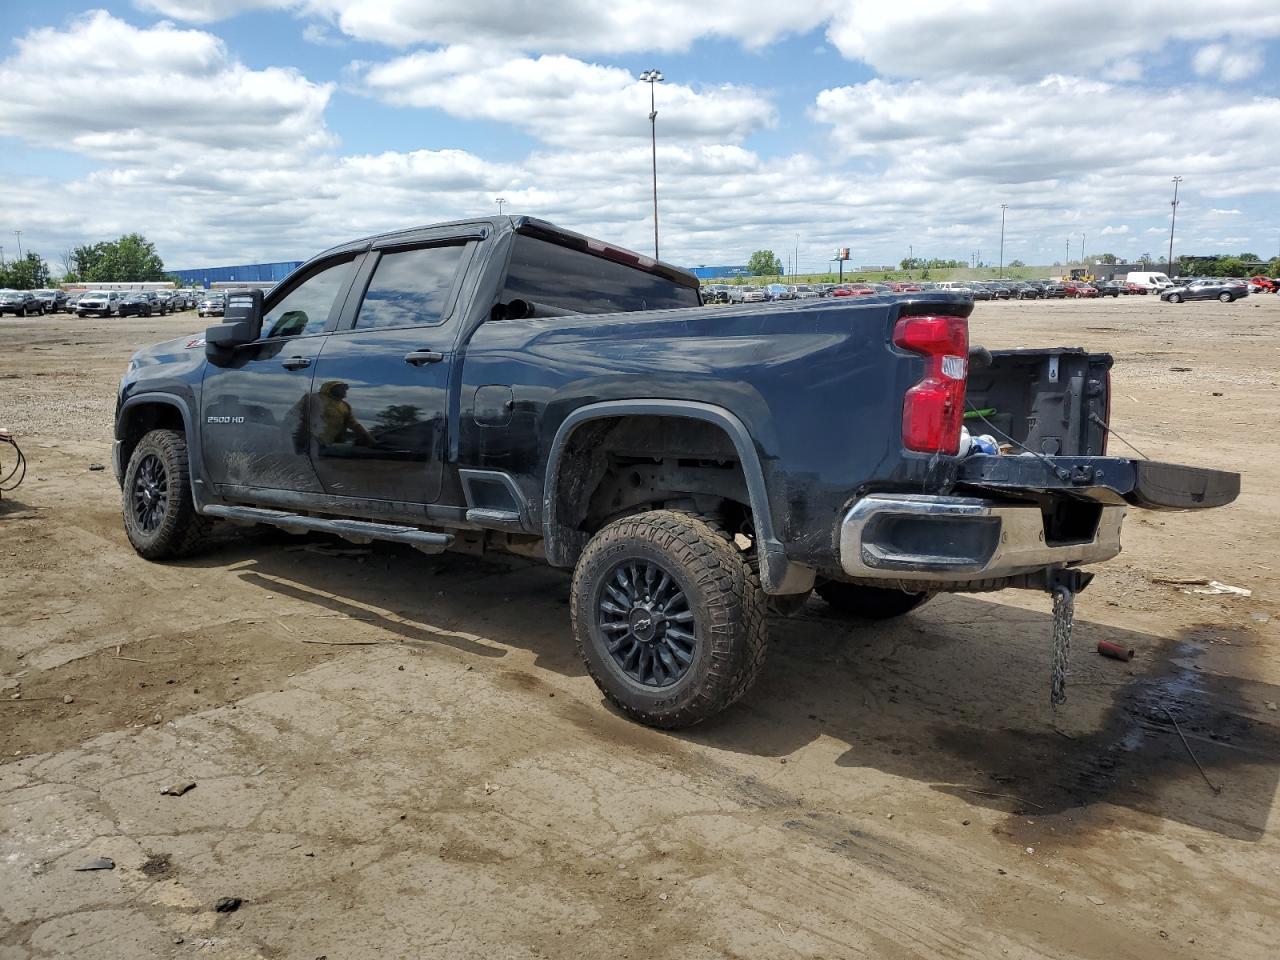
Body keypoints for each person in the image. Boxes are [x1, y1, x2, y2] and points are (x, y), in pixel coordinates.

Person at [311, 381, 373, 446]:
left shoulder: (345, 406)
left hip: (333, 446)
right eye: (342, 388)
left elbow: (355, 425)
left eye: (345, 389)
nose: (345, 390)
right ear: (331, 388)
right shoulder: (314, 400)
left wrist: (370, 439)